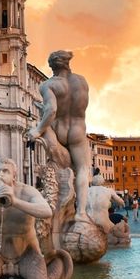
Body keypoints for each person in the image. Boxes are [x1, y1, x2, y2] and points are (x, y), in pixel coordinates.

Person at [27, 50, 90, 222]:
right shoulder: (82, 82)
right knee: (83, 170)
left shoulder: (48, 85)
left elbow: (52, 110)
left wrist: (38, 130)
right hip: (77, 130)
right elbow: (80, 107)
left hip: (58, 131)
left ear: (52, 66)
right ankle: (81, 213)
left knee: (57, 168)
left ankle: (56, 208)